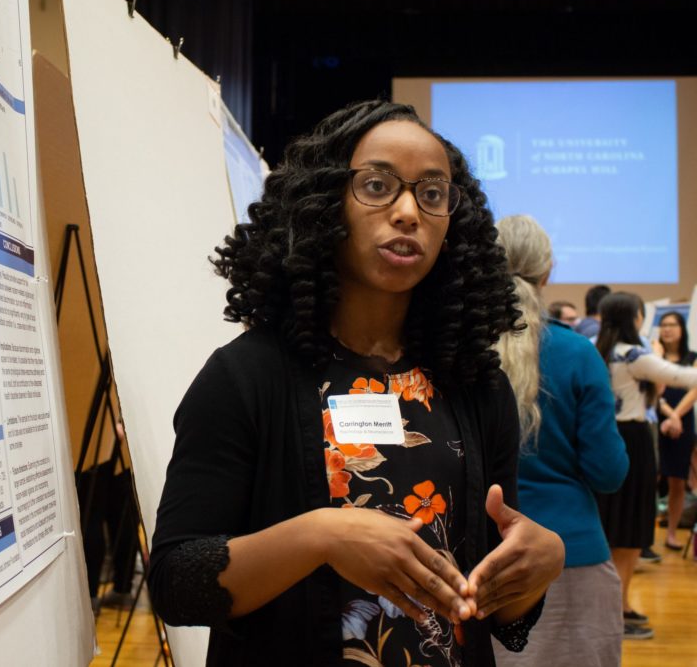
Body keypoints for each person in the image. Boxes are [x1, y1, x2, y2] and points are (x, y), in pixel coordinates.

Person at [148, 100, 564, 666]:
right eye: (378, 185)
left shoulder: (474, 385)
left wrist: (535, 568)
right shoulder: (246, 378)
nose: (408, 211)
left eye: (432, 193)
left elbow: (498, 616)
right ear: (324, 205)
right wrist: (322, 537)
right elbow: (177, 582)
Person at [492, 216, 628, 663]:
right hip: (574, 555)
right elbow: (608, 473)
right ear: (547, 272)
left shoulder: (456, 348)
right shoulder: (577, 353)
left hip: (484, 558)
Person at [593, 293, 697, 639]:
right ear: (634, 318)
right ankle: (617, 611)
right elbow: (682, 378)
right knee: (631, 529)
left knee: (613, 525)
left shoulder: (595, 347)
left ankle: (618, 605)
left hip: (604, 436)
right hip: (633, 440)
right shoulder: (634, 354)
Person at [654, 311, 697, 551]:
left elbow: (694, 389)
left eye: (672, 324)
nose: (667, 329)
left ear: (682, 329)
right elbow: (655, 392)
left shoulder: (692, 357)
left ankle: (672, 532)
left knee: (678, 480)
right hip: (656, 418)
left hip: (683, 423)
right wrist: (668, 414)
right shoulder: (654, 358)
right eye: (663, 325)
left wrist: (676, 417)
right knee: (652, 476)